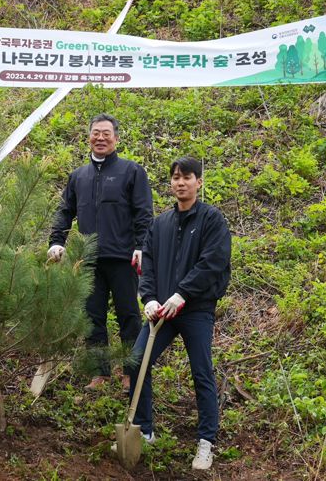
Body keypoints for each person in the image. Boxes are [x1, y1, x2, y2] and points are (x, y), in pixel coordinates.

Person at [127, 156, 231, 470]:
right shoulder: (160, 224)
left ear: (199, 182)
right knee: (137, 361)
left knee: (202, 371)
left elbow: (212, 263)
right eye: (175, 177)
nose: (180, 183)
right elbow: (149, 264)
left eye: (187, 177)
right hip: (162, 310)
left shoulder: (212, 220)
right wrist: (148, 298)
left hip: (195, 309)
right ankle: (144, 430)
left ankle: (206, 442)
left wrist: (182, 293)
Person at [48, 113, 153, 391]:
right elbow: (64, 211)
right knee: (92, 317)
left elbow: (144, 213)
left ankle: (132, 372)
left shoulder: (132, 171)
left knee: (128, 314)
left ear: (116, 139)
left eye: (107, 133)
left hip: (123, 258)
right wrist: (56, 240)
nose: (101, 138)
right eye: (96, 133)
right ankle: (100, 373)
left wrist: (142, 247)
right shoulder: (78, 176)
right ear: (89, 137)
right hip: (89, 258)